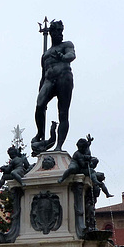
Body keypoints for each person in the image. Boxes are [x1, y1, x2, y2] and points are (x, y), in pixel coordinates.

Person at [33, 20, 76, 153]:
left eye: (61, 31)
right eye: (57, 31)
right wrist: (40, 88)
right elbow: (43, 74)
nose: (60, 34)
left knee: (63, 113)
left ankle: (59, 146)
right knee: (40, 105)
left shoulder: (67, 45)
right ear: (51, 33)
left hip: (64, 78)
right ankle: (40, 133)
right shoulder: (45, 55)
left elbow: (72, 55)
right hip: (49, 80)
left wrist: (63, 57)